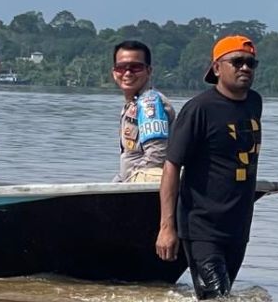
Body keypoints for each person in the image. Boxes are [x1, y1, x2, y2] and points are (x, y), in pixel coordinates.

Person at [156, 35, 263, 299]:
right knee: (217, 297)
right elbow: (171, 166)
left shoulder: (254, 103)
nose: (245, 68)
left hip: (238, 226)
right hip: (202, 225)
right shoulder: (199, 110)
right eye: (237, 62)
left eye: (251, 63)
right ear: (216, 68)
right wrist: (167, 226)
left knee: (219, 296)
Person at [111, 39, 176, 182]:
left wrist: (129, 182)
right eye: (121, 68)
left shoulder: (149, 103)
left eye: (136, 68)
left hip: (145, 187)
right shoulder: (132, 104)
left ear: (148, 71)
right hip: (132, 181)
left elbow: (157, 155)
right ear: (114, 72)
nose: (128, 73)